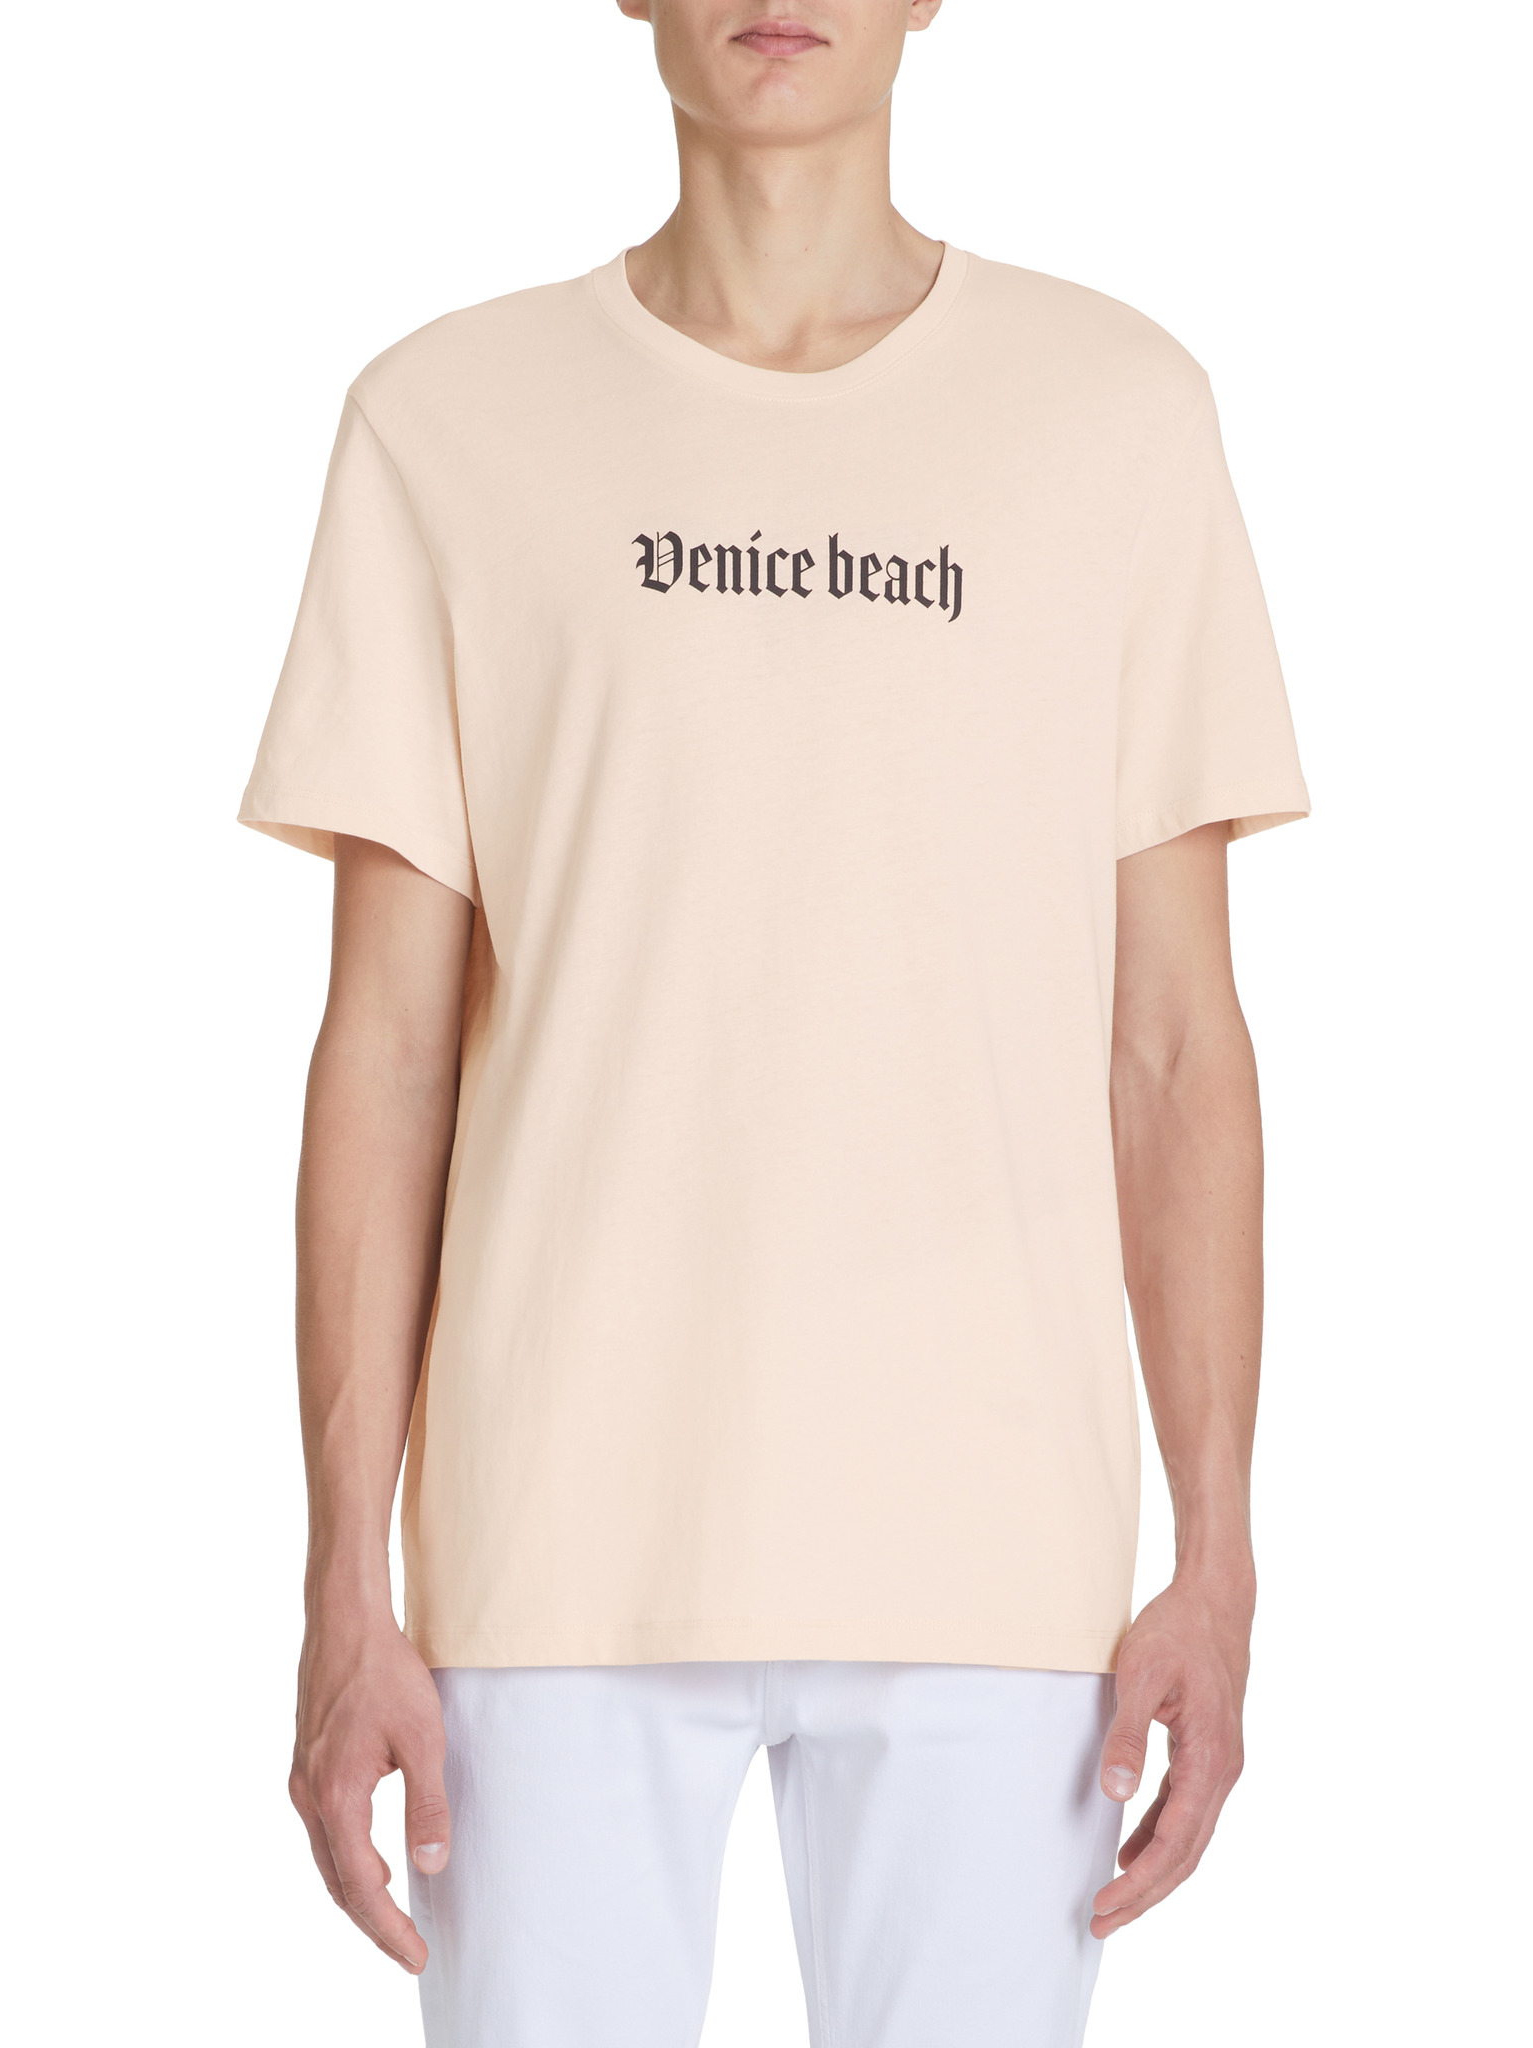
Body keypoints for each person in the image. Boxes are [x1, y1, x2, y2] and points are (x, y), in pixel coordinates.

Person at [240, 4, 1308, 2042]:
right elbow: (382, 1052)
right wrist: (340, 1586)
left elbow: (1177, 1042)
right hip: (555, 1545)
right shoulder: (445, 421)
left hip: (1000, 1549)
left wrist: (1222, 1556)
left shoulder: (1117, 414)